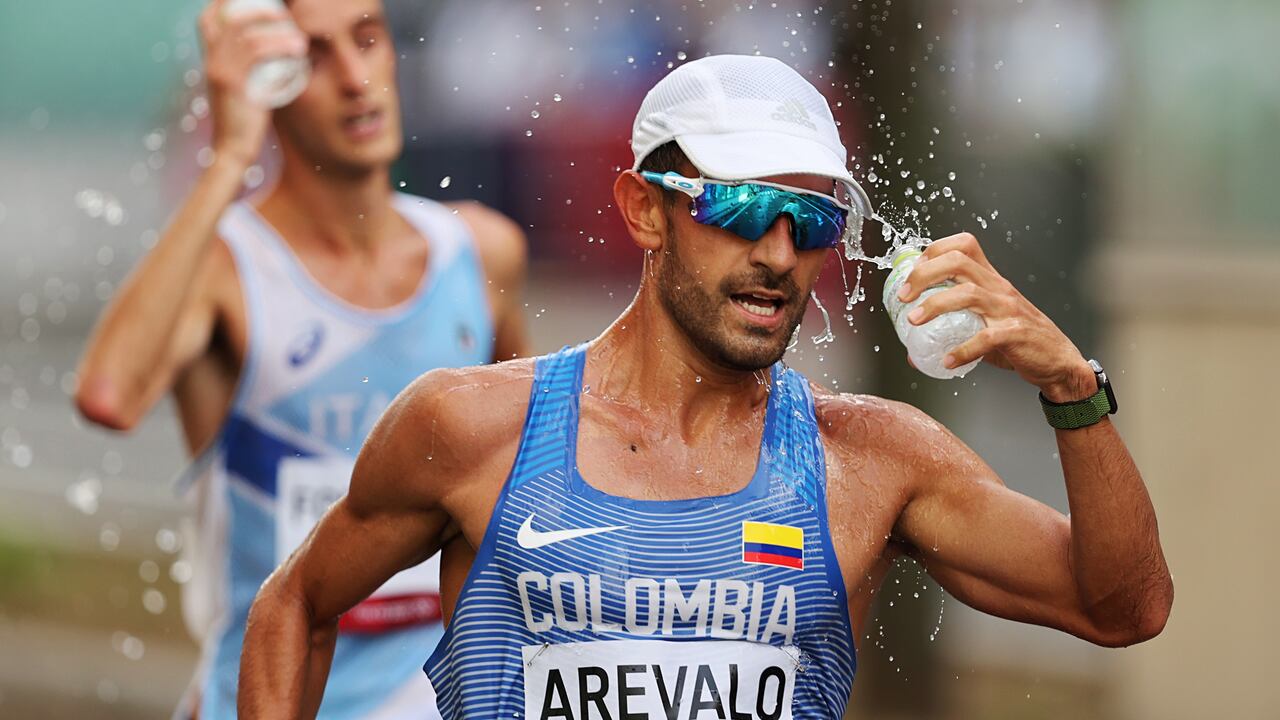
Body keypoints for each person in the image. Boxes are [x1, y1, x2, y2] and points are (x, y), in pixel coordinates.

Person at [237, 55, 1171, 719]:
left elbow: (1122, 609)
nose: (776, 254)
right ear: (645, 209)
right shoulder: (473, 426)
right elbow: (295, 606)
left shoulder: (872, 461)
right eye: (739, 206)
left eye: (809, 221)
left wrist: (1069, 386)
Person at [73, 0, 529, 717]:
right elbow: (108, 394)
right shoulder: (227, 269)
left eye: (369, 39)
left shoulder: (479, 252)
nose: (355, 78)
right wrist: (228, 156)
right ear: (269, 80)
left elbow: (515, 490)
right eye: (315, 56)